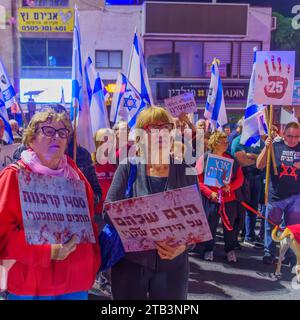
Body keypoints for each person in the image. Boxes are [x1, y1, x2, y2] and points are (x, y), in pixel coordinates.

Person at [0, 109, 100, 300]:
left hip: (75, 282)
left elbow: (90, 227)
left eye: (62, 133)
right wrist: (47, 252)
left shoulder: (77, 177)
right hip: (31, 285)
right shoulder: (14, 176)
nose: (57, 137)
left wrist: (92, 263)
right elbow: (3, 235)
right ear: (31, 139)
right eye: (48, 130)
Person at [104, 106, 200, 300]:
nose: (160, 133)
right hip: (131, 262)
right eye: (152, 128)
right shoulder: (128, 167)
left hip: (173, 263)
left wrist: (183, 246)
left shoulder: (185, 170)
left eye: (165, 127)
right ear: (139, 135)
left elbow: (198, 222)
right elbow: (109, 211)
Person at [257, 122, 300, 265]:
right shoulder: (276, 146)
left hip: (296, 197)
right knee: (271, 226)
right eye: (289, 136)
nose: (292, 139)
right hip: (275, 195)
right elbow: (259, 165)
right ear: (283, 134)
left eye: (296, 136)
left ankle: (291, 254)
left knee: (293, 228)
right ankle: (269, 253)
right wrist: (266, 147)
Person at [198, 132, 244, 262]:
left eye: (227, 142)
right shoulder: (205, 158)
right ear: (215, 143)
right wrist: (209, 193)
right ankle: (208, 249)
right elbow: (198, 180)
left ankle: (230, 250)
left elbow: (240, 179)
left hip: (228, 199)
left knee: (229, 226)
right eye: (223, 142)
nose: (226, 145)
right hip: (211, 199)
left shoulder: (232, 160)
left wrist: (231, 187)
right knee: (210, 225)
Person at [231, 122, 264, 247]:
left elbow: (265, 159)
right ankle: (238, 236)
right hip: (242, 178)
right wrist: (258, 159)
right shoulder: (237, 141)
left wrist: (251, 156)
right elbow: (241, 160)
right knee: (241, 208)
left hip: (257, 178)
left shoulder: (259, 141)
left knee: (253, 208)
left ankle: (249, 236)